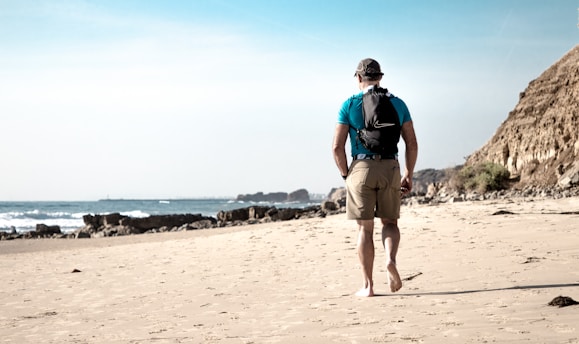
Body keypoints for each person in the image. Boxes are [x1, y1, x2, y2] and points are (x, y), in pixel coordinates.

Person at [332, 58, 418, 297]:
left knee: (364, 229)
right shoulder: (398, 104)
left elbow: (337, 147)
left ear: (359, 78)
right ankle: (390, 260)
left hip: (361, 167)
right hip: (391, 166)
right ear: (380, 77)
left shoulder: (348, 105)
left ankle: (368, 286)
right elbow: (411, 143)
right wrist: (409, 173)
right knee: (390, 223)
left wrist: (346, 175)